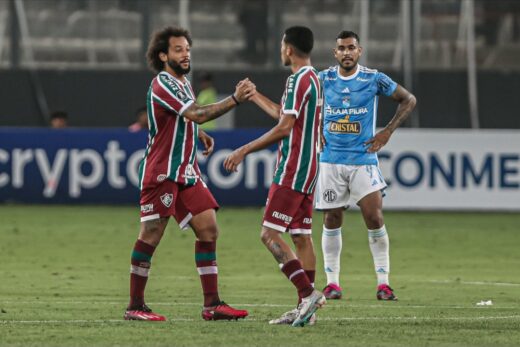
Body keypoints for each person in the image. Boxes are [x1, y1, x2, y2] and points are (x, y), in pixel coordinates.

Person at [124, 26, 255, 322]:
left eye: (187, 49)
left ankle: (212, 305)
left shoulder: (183, 82)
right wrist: (234, 99)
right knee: (152, 233)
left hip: (186, 171)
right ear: (163, 55)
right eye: (178, 50)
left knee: (208, 227)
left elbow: (188, 118)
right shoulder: (163, 83)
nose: (185, 54)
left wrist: (198, 134)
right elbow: (195, 113)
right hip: (162, 172)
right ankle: (135, 306)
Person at [224, 26, 325, 327]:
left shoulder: (297, 80)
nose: (281, 50)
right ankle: (305, 309)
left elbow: (284, 128)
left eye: (282, 45)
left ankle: (307, 295)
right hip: (310, 169)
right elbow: (286, 115)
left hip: (293, 168)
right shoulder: (314, 78)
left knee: (268, 234)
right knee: (301, 236)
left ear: (289, 49)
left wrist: (244, 150)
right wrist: (254, 96)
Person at [315, 31, 416, 301]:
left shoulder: (373, 78)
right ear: (334, 53)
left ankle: (383, 284)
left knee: (374, 218)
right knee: (331, 219)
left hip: (363, 160)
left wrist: (387, 132)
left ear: (359, 50)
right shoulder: (323, 79)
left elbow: (409, 99)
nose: (346, 53)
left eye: (351, 48)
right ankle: (332, 284)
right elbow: (299, 106)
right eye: (341, 49)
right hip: (330, 161)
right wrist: (315, 128)